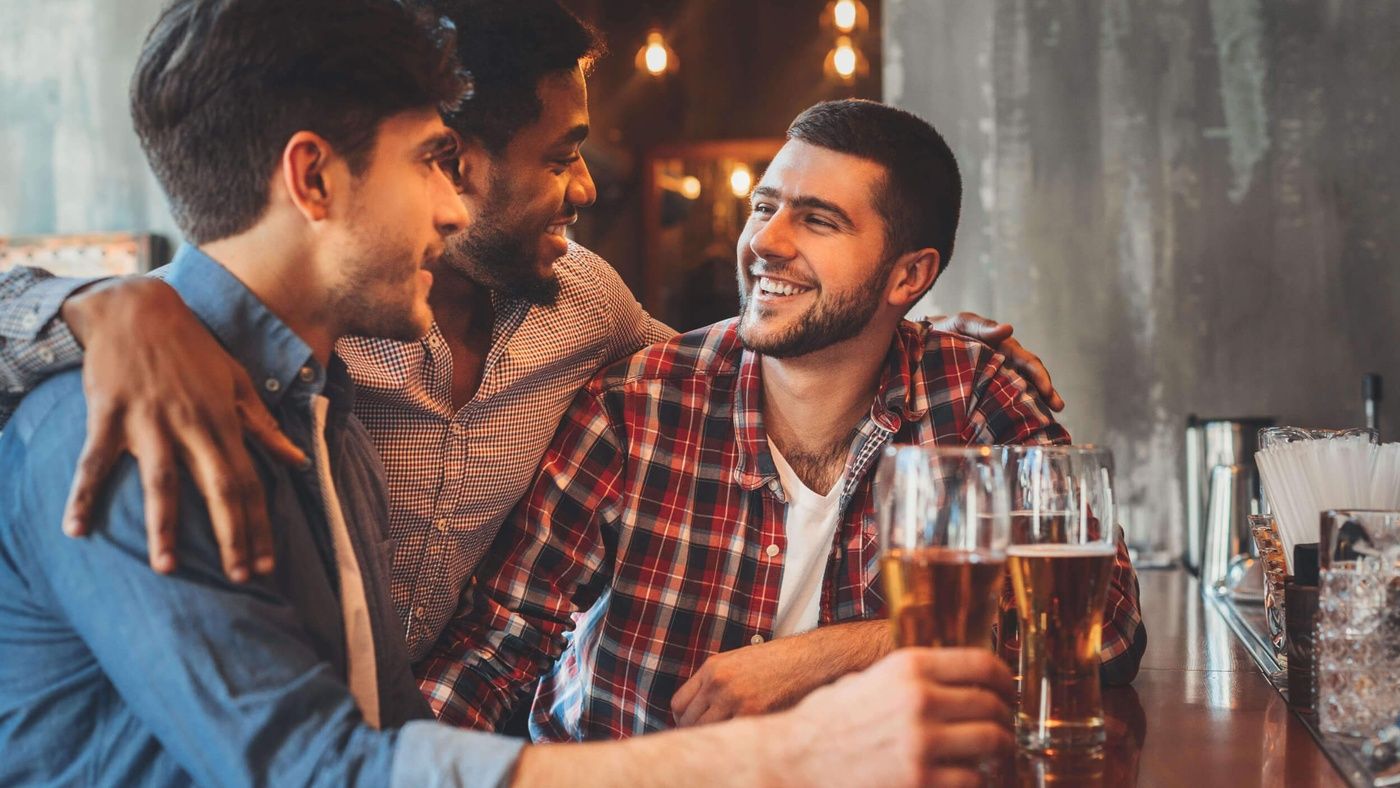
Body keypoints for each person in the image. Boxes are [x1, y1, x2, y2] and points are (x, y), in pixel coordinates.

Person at [0, 2, 1018, 785]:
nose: (455, 203)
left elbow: (721, 374)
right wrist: (791, 753)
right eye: (436, 161)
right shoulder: (139, 413)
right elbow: (323, 767)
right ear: (312, 181)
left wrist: (924, 342)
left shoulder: (319, 393)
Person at [421, 99, 1147, 742]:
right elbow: (500, 650)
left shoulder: (974, 396)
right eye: (765, 207)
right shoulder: (638, 403)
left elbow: (1104, 628)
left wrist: (834, 653)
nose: (766, 241)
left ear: (909, 277)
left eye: (818, 219)